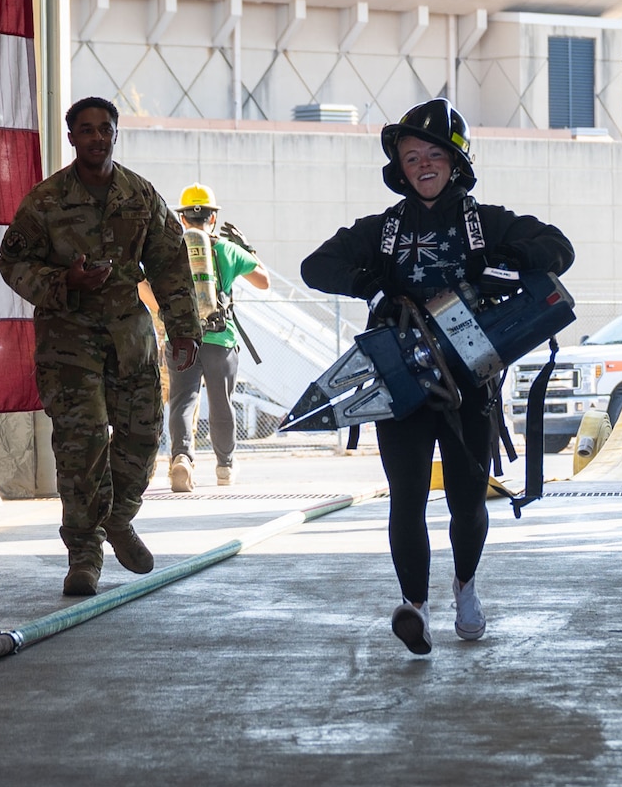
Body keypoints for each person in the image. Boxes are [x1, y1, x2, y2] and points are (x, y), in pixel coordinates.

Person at [302, 99, 573, 656]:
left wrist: (499, 266)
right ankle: (416, 608)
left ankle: (466, 589)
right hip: (400, 384)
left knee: (466, 498)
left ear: (456, 162)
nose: (422, 165)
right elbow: (315, 266)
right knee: (406, 495)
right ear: (398, 168)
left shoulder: (487, 224)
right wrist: (371, 284)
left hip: (469, 381)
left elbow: (558, 248)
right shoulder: (380, 231)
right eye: (410, 156)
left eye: (433, 155)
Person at [0, 97, 202, 595]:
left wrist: (183, 327)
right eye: (85, 130)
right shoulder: (45, 202)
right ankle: (84, 555)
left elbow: (171, 261)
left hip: (130, 337)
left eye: (104, 129)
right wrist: (63, 280)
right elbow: (13, 263)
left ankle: (119, 519)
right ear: (71, 138)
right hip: (68, 340)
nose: (96, 138)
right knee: (82, 444)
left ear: (115, 134)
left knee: (142, 435)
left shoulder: (139, 196)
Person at [152, 185, 270, 492]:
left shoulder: (169, 248)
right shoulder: (227, 249)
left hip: (180, 339)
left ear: (181, 220)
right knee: (222, 403)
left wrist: (164, 313)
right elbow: (263, 282)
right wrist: (249, 249)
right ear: (213, 218)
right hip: (220, 339)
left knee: (182, 400)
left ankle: (181, 458)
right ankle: (224, 468)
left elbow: (145, 285)